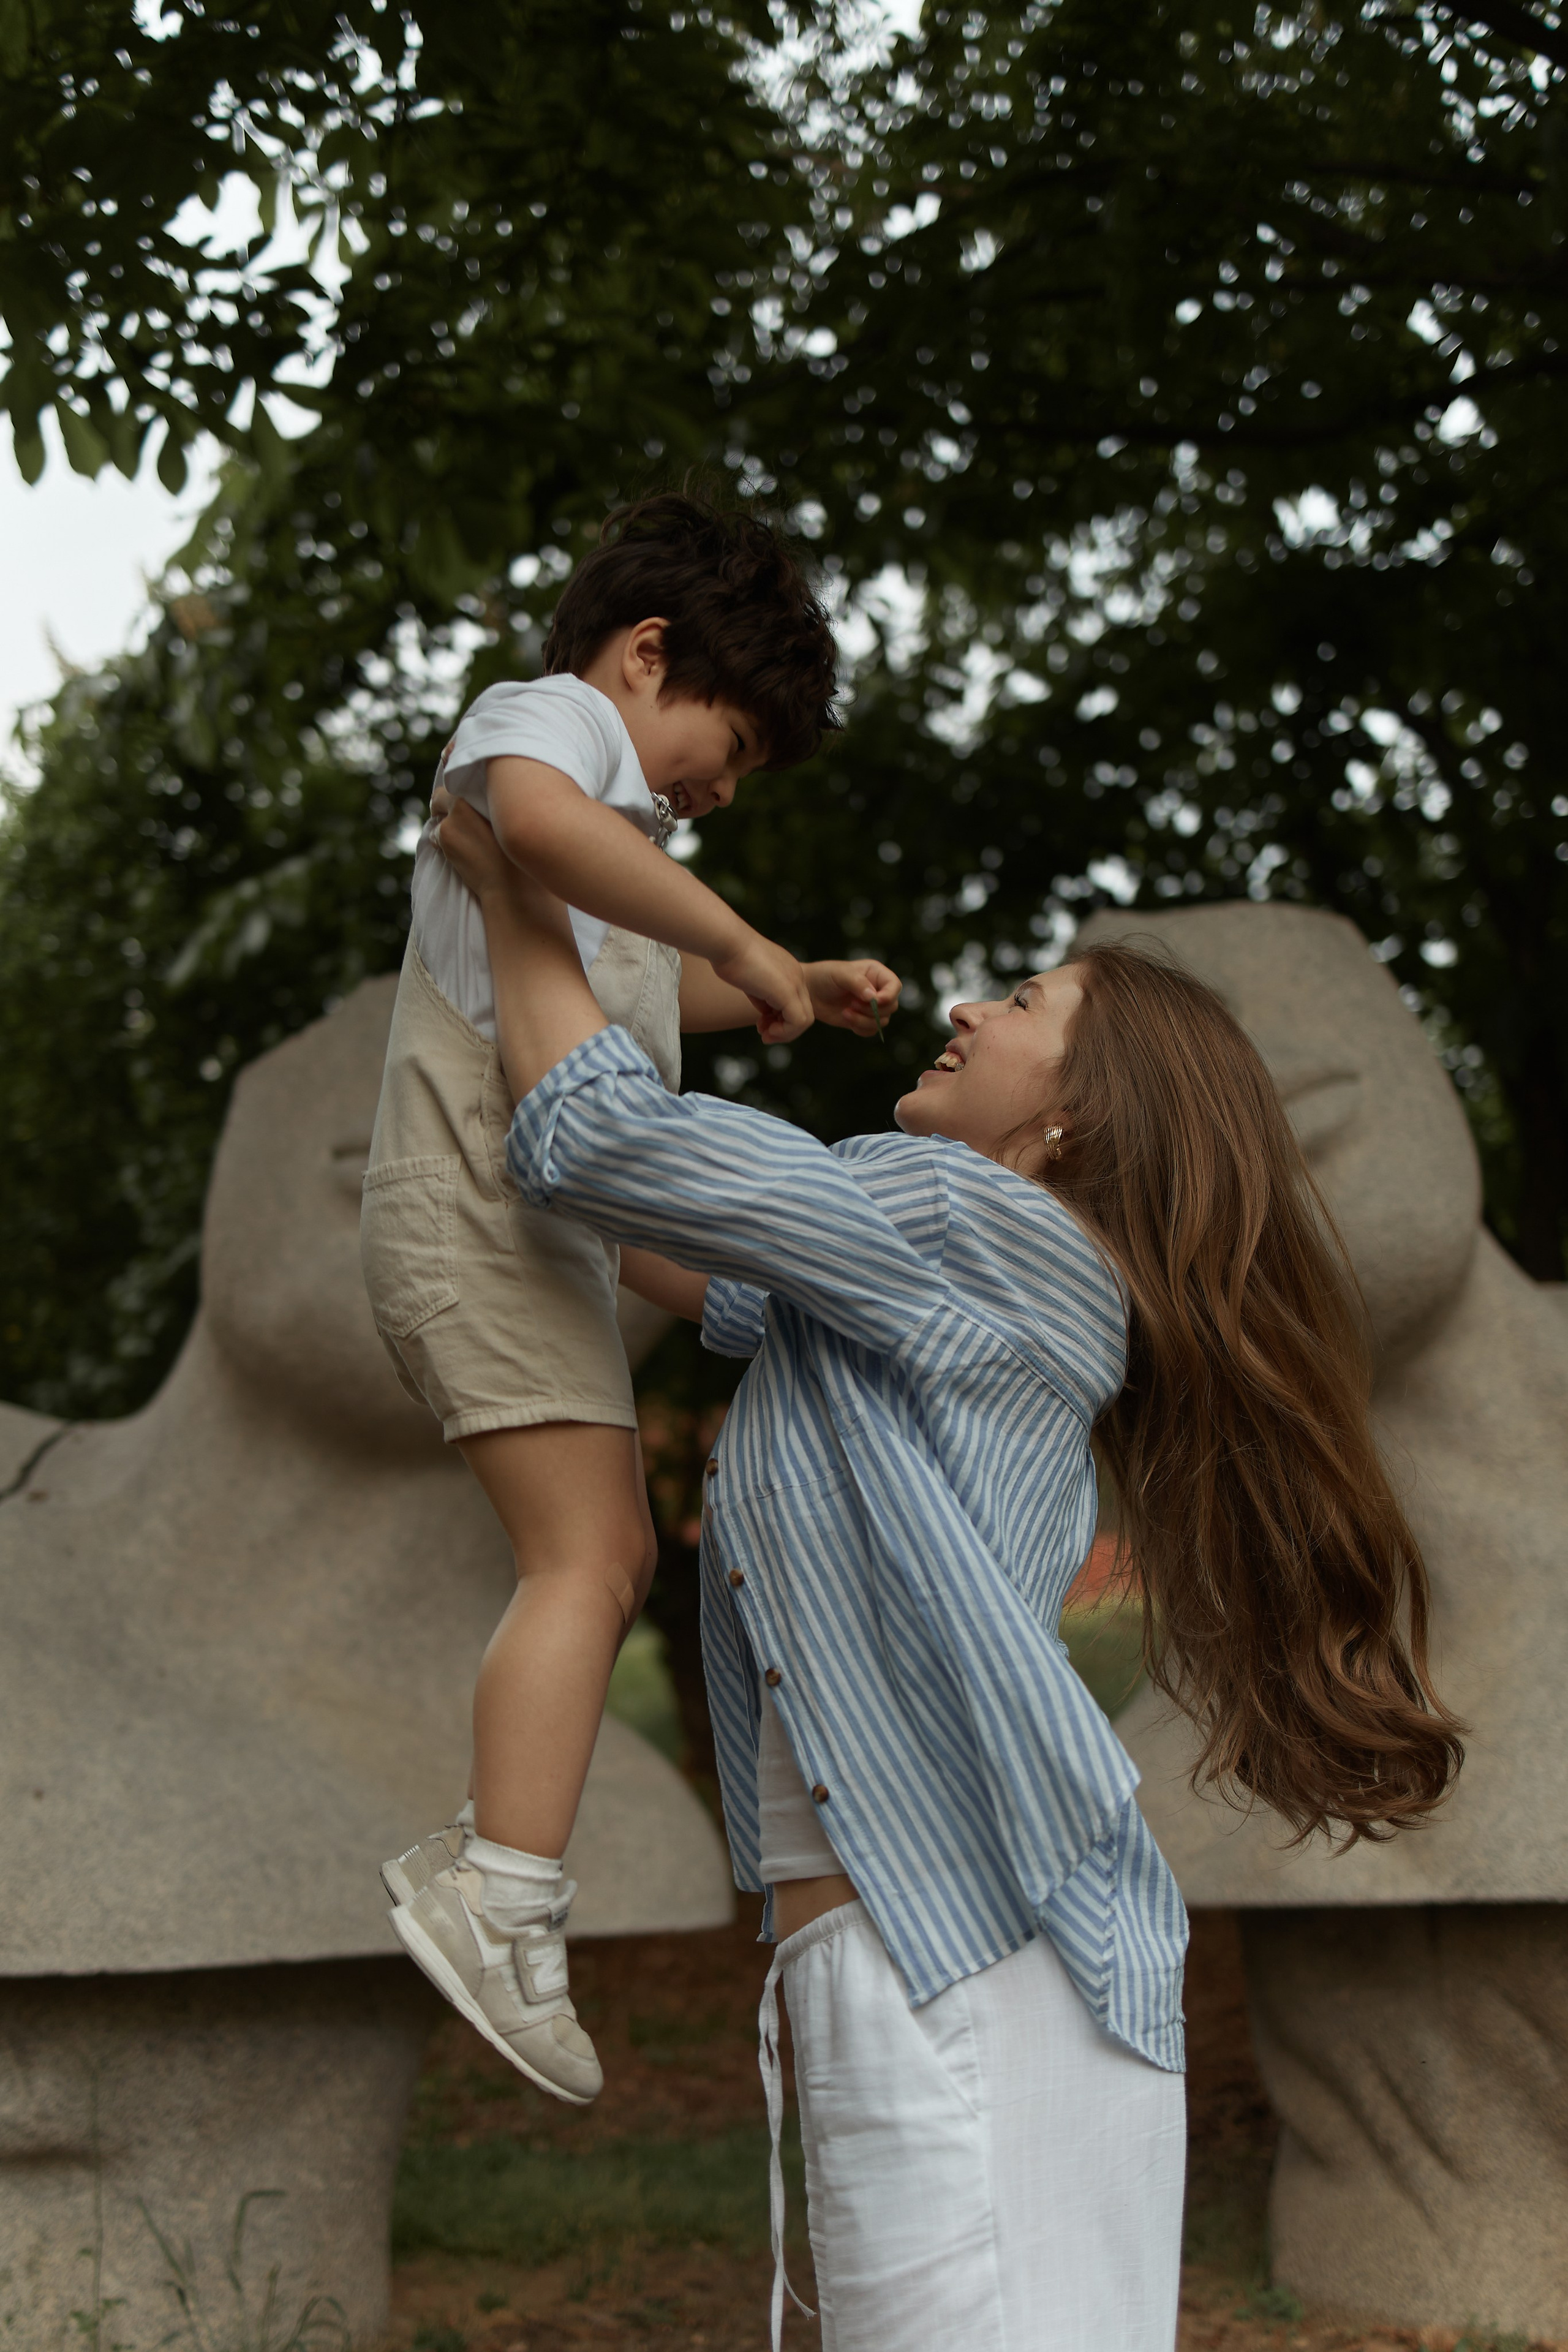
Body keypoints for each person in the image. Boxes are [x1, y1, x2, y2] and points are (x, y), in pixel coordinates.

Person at [434, 797, 1465, 2351]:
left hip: (960, 1980)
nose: (972, 1004)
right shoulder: (939, 1268)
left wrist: (522, 885)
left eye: (1029, 1003)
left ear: (1077, 1124)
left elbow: (606, 1143)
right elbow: (659, 1236)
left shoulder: (965, 1218)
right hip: (968, 1966)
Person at [361, 493, 900, 2107]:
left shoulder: (620, 845)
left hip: (541, 1240)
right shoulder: (543, 733)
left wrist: (786, 977)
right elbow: (537, 821)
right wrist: (751, 942)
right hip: (474, 1225)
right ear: (647, 653)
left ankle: (505, 1879)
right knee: (589, 1557)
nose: (713, 797)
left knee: (605, 1551)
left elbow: (624, 1025)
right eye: (720, 753)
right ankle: (498, 1888)